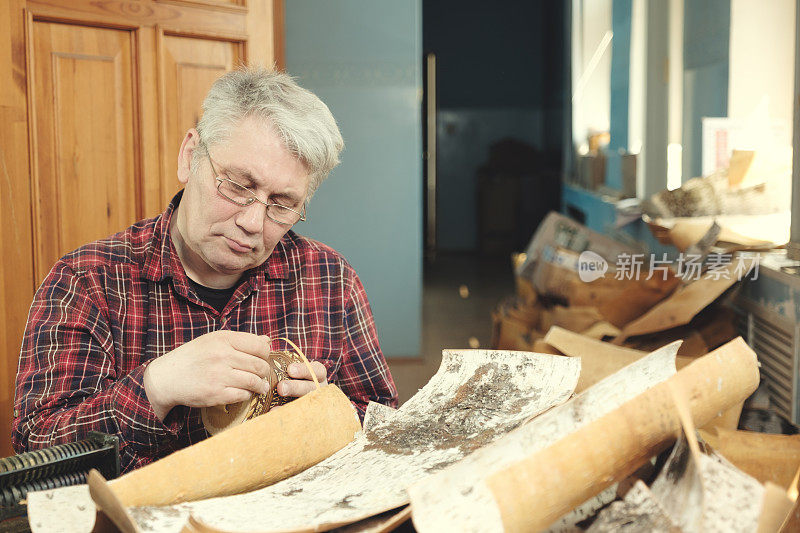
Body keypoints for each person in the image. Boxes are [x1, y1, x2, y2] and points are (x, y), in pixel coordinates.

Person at [12, 67, 398, 472]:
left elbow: (382, 421)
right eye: (237, 185)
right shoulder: (85, 281)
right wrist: (155, 388)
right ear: (190, 156)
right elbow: (37, 456)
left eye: (282, 205)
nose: (253, 222)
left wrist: (326, 419)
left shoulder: (331, 279)